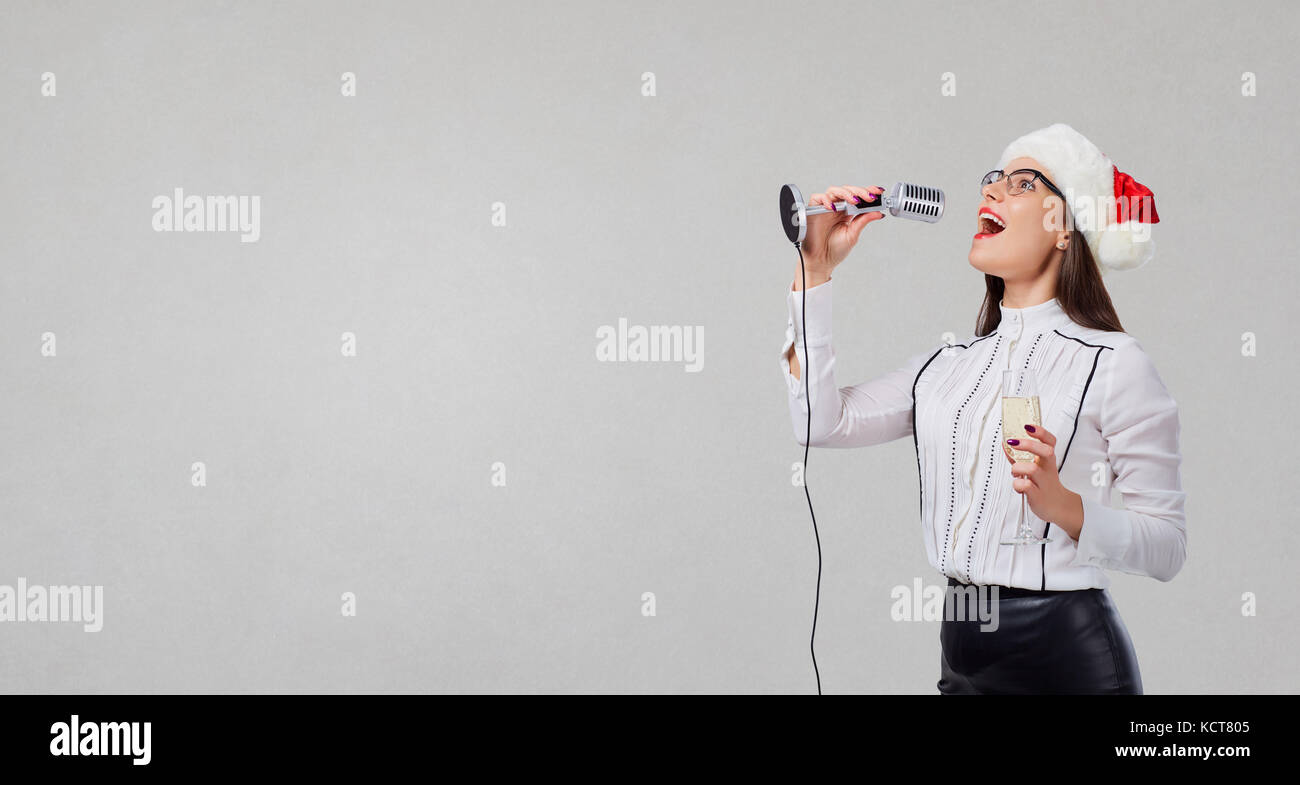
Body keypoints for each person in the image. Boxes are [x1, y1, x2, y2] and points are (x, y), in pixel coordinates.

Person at [780, 122, 1184, 694]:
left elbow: (1167, 547)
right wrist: (813, 272)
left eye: (1021, 185)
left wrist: (1064, 506)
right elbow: (821, 422)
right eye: (993, 181)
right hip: (961, 645)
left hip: (1064, 656)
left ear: (1064, 227)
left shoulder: (1115, 362)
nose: (990, 193)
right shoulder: (946, 368)